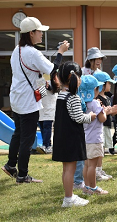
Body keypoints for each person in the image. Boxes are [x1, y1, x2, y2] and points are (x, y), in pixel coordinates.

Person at [1, 17, 69, 183]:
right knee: (28, 138)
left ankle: (11, 165)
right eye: (40, 32)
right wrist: (60, 52)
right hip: (27, 100)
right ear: (31, 33)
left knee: (18, 133)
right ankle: (22, 175)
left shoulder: (16, 50)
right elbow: (53, 69)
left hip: (17, 98)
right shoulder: (32, 52)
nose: (41, 35)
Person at [52, 61, 95, 207]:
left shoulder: (60, 96)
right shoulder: (73, 97)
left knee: (66, 169)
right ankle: (69, 198)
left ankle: (68, 196)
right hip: (72, 138)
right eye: (79, 76)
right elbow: (79, 118)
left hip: (61, 137)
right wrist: (91, 116)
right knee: (70, 169)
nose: (81, 80)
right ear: (73, 78)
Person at [78, 75, 110, 195]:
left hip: (85, 139)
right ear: (93, 90)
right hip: (95, 139)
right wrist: (105, 112)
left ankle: (86, 187)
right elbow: (102, 119)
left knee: (86, 165)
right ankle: (93, 187)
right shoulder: (95, 103)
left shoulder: (81, 103)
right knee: (93, 165)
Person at [93, 71, 117, 180]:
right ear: (101, 85)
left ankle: (99, 169)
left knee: (101, 150)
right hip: (101, 126)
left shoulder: (106, 97)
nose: (110, 85)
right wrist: (111, 111)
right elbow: (101, 113)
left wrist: (115, 110)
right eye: (108, 83)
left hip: (105, 125)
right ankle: (97, 171)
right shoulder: (97, 99)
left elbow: (107, 112)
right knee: (99, 149)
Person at [37, 70, 59, 154]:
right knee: (42, 127)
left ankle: (46, 145)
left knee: (47, 127)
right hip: (41, 107)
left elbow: (55, 89)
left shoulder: (54, 79)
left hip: (50, 108)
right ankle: (48, 145)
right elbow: (40, 92)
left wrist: (48, 87)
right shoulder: (39, 79)